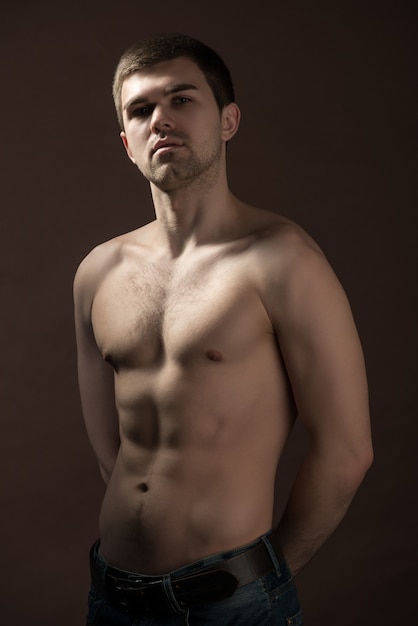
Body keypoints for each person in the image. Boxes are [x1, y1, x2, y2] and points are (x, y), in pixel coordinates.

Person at [74, 33, 373, 626]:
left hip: (234, 605)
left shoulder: (282, 260)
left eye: (182, 99)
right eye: (140, 110)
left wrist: (258, 580)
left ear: (228, 120)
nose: (160, 119)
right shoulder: (97, 273)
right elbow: (114, 454)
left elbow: (346, 452)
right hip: (113, 598)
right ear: (126, 143)